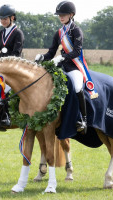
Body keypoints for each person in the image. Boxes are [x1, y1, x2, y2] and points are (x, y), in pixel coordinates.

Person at [35, 1, 92, 134]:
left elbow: (77, 51)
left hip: (74, 66)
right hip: (61, 66)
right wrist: (42, 57)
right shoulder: (59, 33)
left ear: (71, 15)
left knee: (77, 86)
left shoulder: (76, 30)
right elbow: (51, 52)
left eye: (64, 14)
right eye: (59, 15)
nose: (61, 17)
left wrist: (63, 57)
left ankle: (83, 120)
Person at [0, 4, 24, 127]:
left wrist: (2, 65)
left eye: (5, 19)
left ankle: (6, 116)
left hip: (13, 68)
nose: (2, 21)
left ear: (12, 18)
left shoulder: (18, 33)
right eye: (1, 19)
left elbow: (16, 54)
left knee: (4, 88)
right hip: (0, 68)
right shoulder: (0, 33)